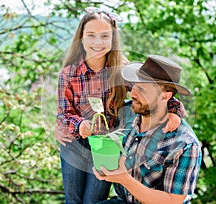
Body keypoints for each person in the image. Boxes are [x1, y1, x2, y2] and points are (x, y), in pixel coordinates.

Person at [55, 7, 186, 204]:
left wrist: (174, 111)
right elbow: (64, 113)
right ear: (81, 37)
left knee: (94, 200)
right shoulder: (68, 73)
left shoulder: (121, 70)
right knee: (72, 200)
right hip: (73, 145)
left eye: (104, 36)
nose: (97, 42)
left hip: (105, 145)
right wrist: (79, 125)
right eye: (91, 35)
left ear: (113, 39)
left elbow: (151, 92)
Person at [94, 55, 202, 204]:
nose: (132, 94)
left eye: (142, 89)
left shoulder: (185, 143)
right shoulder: (127, 113)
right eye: (134, 86)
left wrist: (124, 180)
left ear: (166, 96)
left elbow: (173, 201)